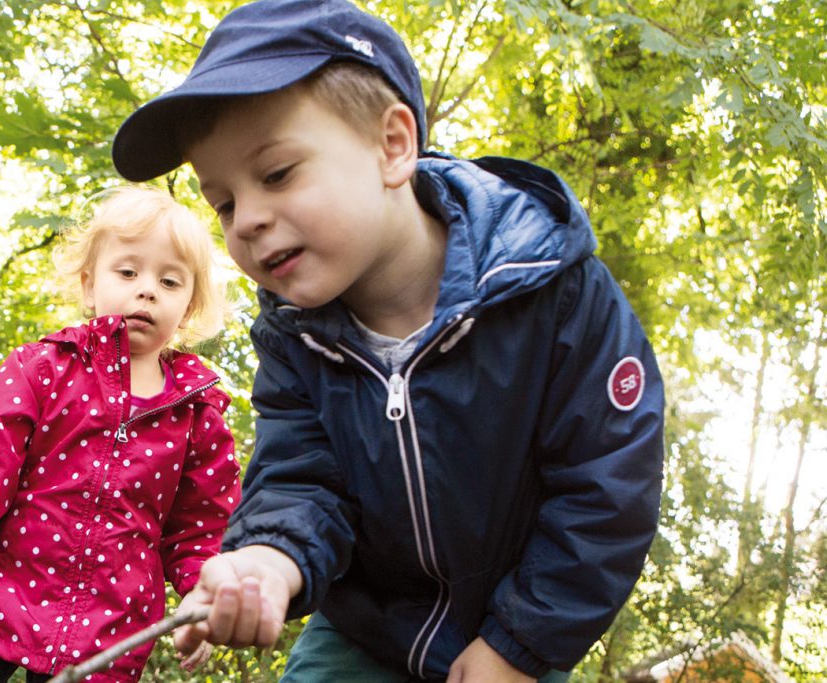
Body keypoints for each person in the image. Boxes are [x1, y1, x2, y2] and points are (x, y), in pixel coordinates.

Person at [111, 1, 665, 680]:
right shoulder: (294, 335)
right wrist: (267, 558)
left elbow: (607, 483)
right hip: (364, 634)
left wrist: (520, 644)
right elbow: (301, 478)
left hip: (519, 630)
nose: (248, 219)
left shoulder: (551, 289)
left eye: (278, 173)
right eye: (223, 201)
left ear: (393, 145)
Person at [0, 186, 241, 682]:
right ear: (90, 286)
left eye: (170, 281)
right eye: (128, 272)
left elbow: (202, 526)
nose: (147, 289)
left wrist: (202, 598)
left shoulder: (197, 413)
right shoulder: (42, 369)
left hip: (108, 624)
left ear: (189, 306)